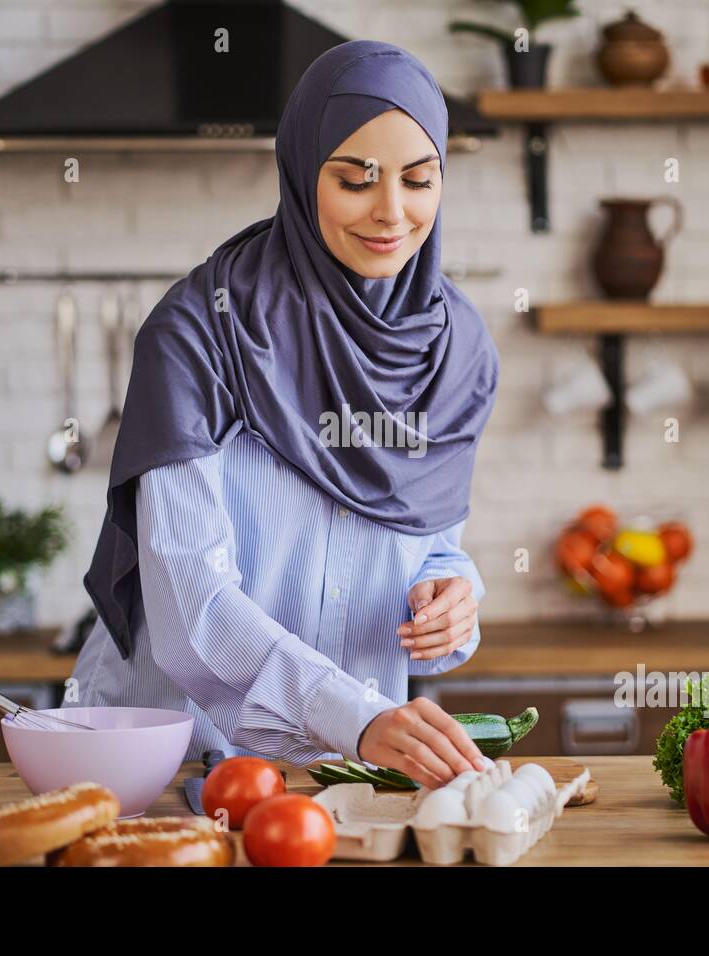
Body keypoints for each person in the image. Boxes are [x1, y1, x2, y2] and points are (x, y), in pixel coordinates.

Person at [72, 40, 499, 788]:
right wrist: (353, 714)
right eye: (356, 180)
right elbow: (189, 604)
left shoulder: (453, 347)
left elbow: (427, 537)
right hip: (175, 761)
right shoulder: (201, 332)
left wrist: (455, 595)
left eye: (420, 179)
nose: (392, 214)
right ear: (304, 172)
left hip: (352, 770)